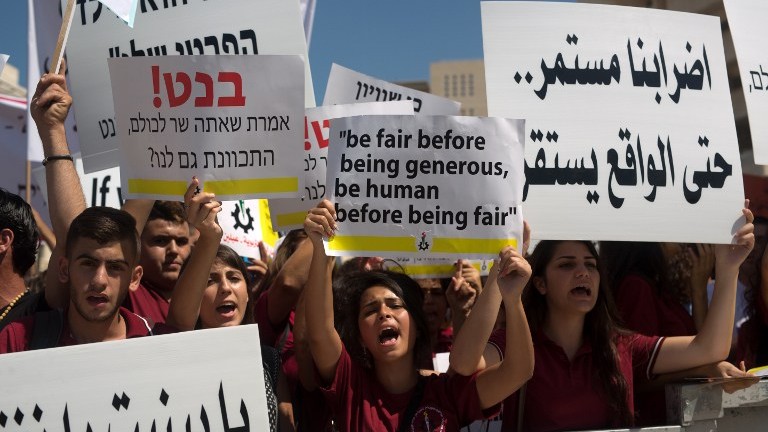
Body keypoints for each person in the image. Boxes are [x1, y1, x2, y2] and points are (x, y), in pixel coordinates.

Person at [451, 205, 754, 432]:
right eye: (567, 265)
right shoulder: (514, 345)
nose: (583, 272)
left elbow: (710, 348)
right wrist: (498, 279)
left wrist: (728, 270)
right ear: (539, 283)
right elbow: (464, 365)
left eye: (590, 265)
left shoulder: (621, 345)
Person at [301, 199, 533, 431]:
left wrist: (512, 299)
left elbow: (517, 372)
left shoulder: (447, 393)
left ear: (418, 325)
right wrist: (322, 249)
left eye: (395, 305)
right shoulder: (350, 387)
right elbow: (320, 332)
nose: (384, 313)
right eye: (371, 310)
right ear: (360, 335)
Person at [166, 179, 292, 432]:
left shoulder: (269, 361)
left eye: (234, 278)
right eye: (211, 281)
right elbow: (179, 320)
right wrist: (210, 237)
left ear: (248, 294)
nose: (225, 288)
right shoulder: (176, 358)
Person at [0, 207, 175, 353]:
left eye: (115, 267)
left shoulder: (162, 345)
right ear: (64, 269)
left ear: (134, 278)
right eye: (88, 264)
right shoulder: (18, 340)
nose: (99, 281)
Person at [123, 200, 192, 325]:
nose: (174, 250)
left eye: (181, 242)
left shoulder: (208, 298)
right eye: (160, 240)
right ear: (137, 245)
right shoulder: (126, 290)